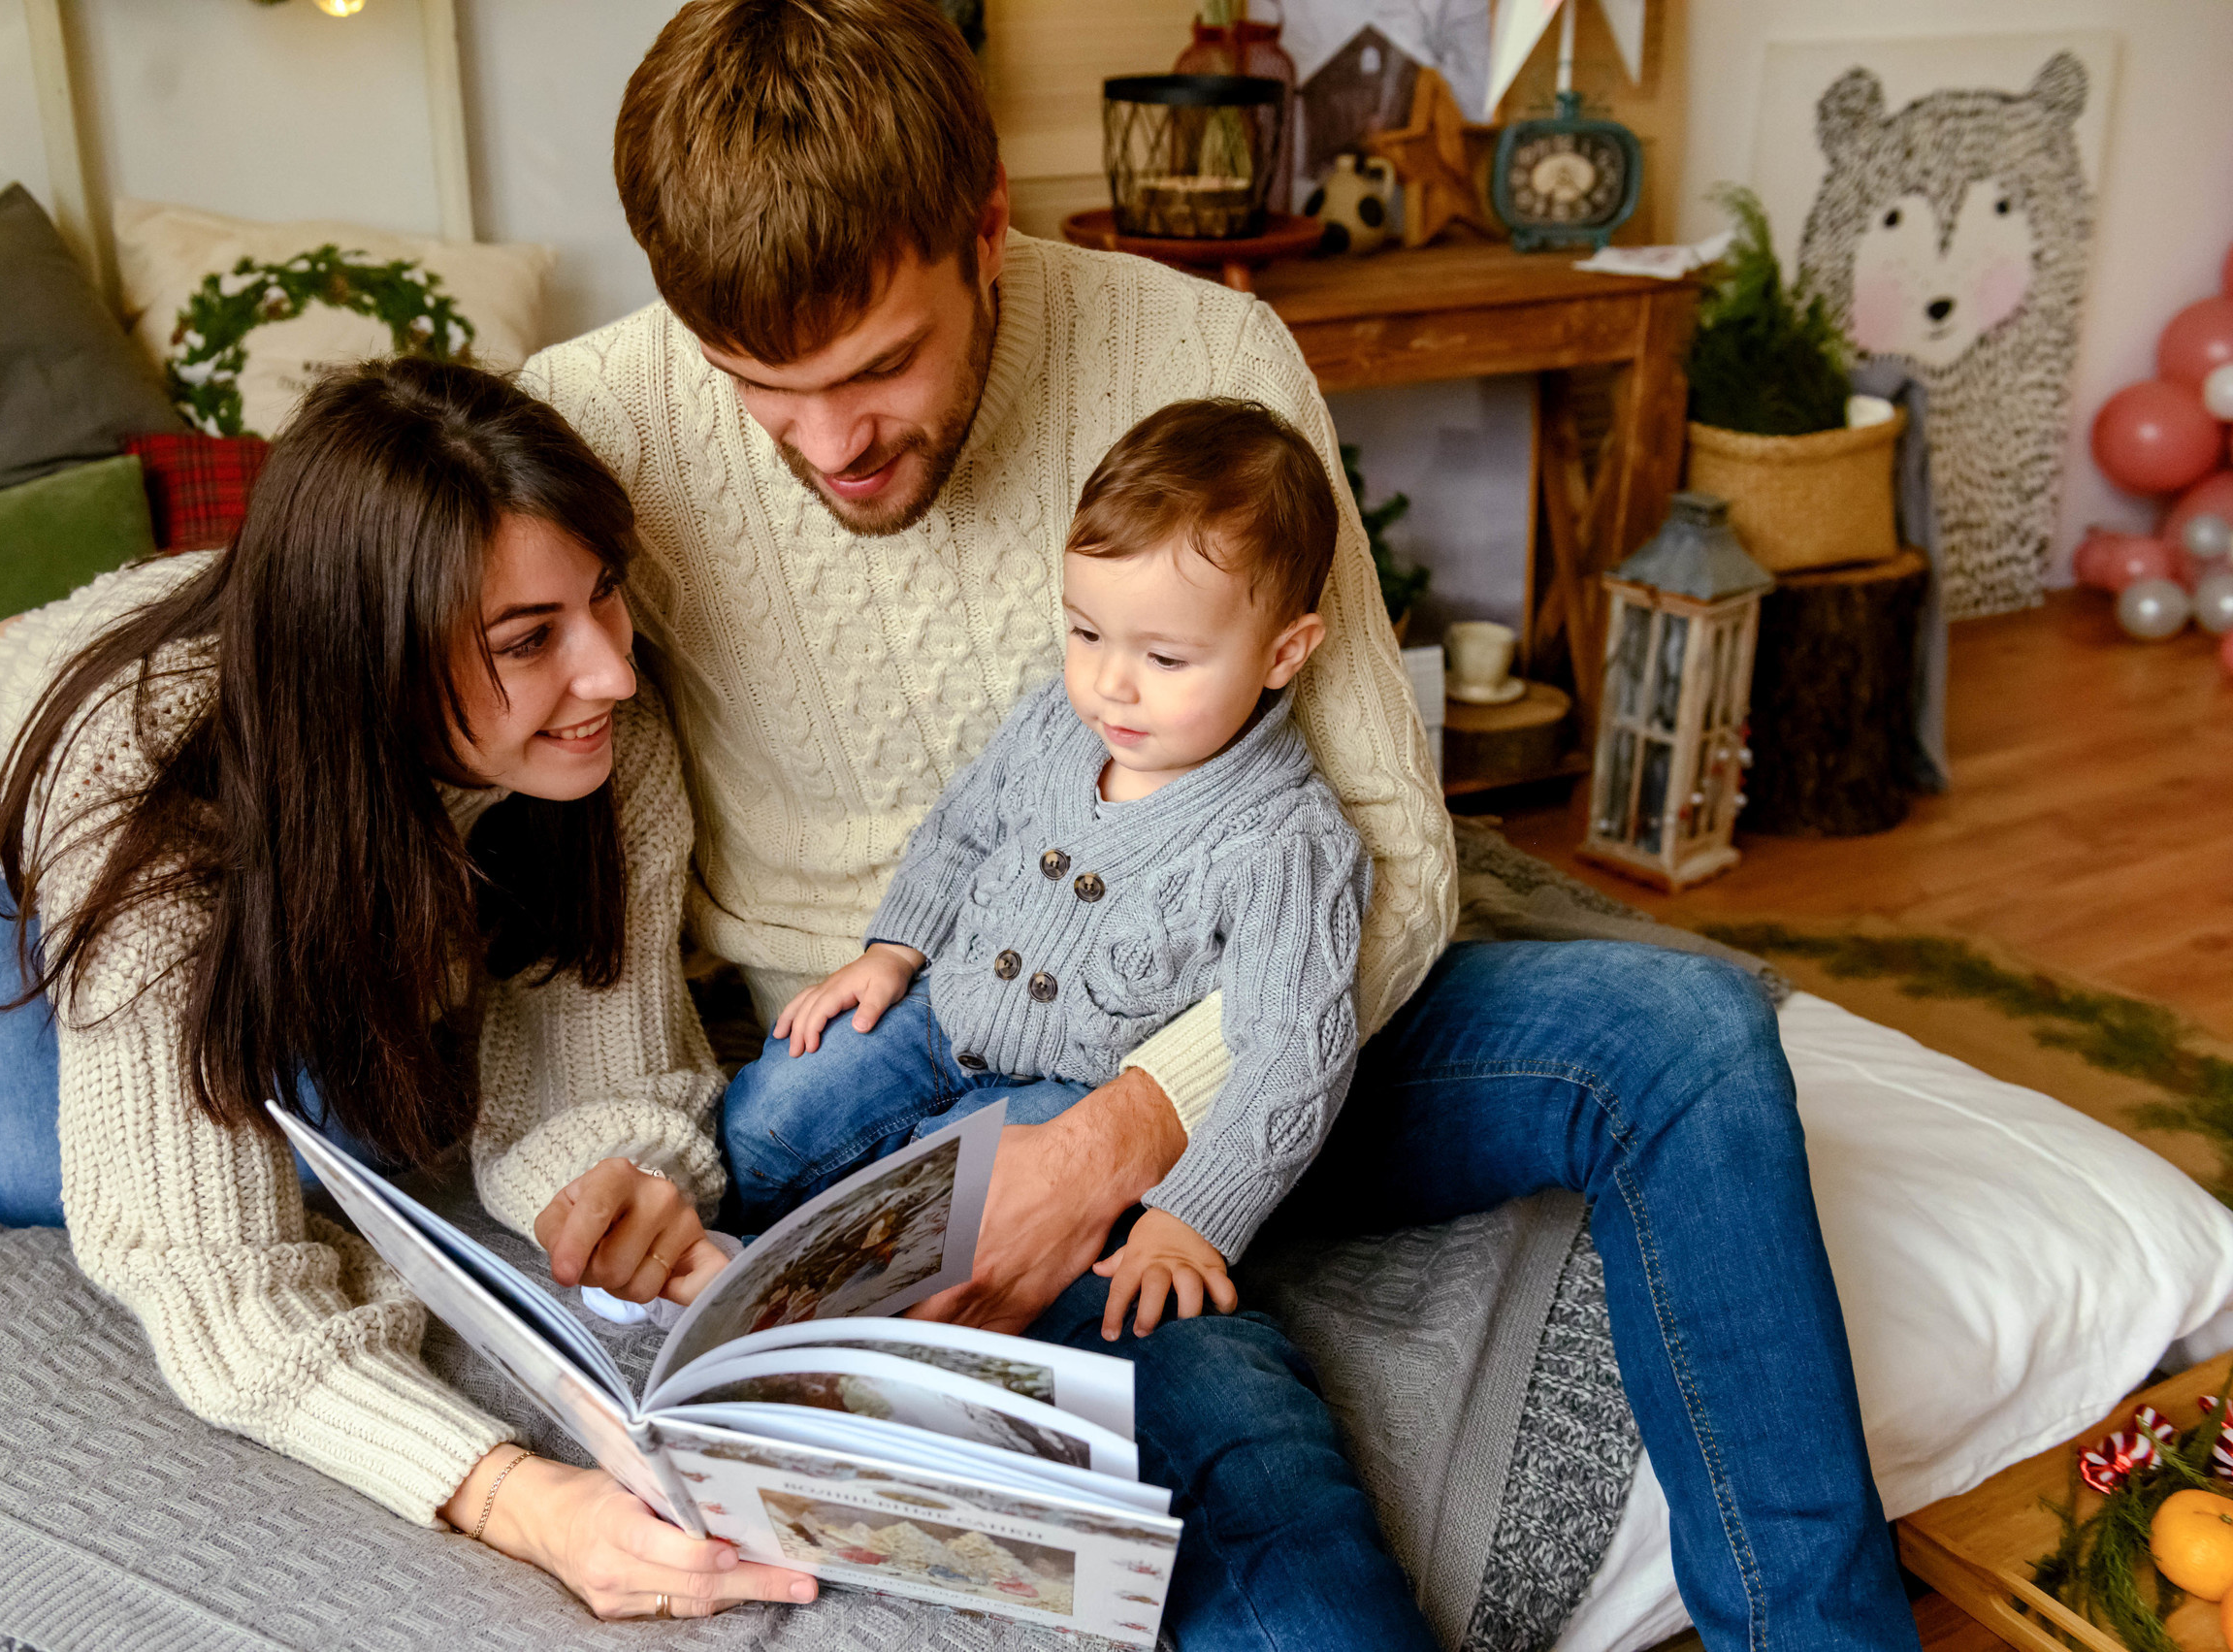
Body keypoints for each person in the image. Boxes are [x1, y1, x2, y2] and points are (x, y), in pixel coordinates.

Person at [527, 2, 1924, 1648]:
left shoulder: (1203, 357)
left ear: (987, 231)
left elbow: (1396, 853)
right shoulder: (593, 423)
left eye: (881, 366)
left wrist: (1129, 1128)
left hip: (1246, 1009)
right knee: (1249, 1480)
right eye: (759, 385)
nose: (830, 443)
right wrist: (635, 1154)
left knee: (1687, 1036)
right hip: (920, 1075)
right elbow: (583, 879)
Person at [0, 357, 814, 1623]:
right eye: (530, 639)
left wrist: (614, 1183)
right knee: (39, 1171)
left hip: (324, 768)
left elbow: (604, 1060)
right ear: (378, 648)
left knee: (371, 1089)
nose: (615, 674)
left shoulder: (607, 731)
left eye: (606, 596)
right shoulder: (137, 771)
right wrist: (513, 1495)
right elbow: (209, 1268)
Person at [725, 398, 1372, 1347]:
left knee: (948, 1228)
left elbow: (1289, 1050)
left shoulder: (1285, 842)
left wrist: (1192, 1214)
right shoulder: (1052, 729)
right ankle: (783, 1220)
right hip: (947, 1012)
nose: (1111, 682)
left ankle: (846, 1274)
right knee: (767, 1112)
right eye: (1085, 633)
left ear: (1283, 652)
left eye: (1162, 655)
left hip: (1073, 1089)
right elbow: (957, 833)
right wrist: (892, 951)